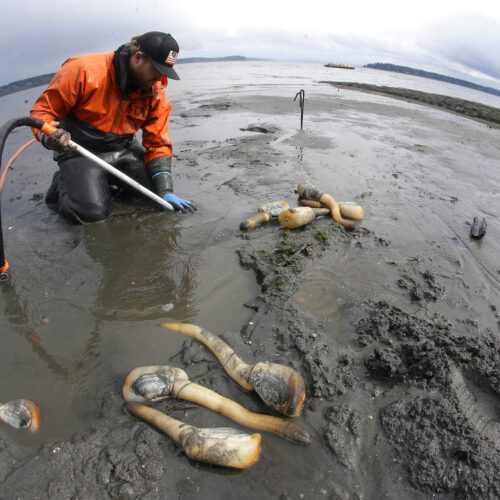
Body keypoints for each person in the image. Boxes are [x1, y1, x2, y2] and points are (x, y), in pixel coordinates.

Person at [30, 31, 195, 224]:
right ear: (138, 57)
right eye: (156, 69)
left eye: (164, 72)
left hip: (123, 148)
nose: (159, 78)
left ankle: (103, 183)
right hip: (79, 151)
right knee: (91, 215)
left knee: (154, 199)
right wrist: (50, 136)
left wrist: (166, 191)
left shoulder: (155, 92)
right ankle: (62, 183)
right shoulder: (83, 70)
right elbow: (41, 113)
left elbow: (158, 144)